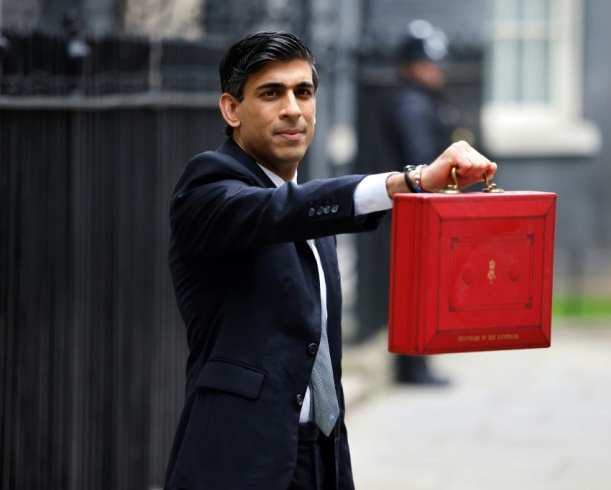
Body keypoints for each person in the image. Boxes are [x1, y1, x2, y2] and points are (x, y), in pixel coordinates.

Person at [164, 31, 496, 490]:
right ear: (231, 109)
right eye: (270, 93)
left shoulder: (310, 208)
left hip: (321, 456)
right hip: (238, 461)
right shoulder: (207, 188)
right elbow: (278, 212)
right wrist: (408, 182)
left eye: (303, 92)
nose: (292, 109)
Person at [385, 21, 459, 386]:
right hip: (414, 210)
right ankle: (413, 367)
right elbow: (419, 158)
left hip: (426, 208)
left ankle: (420, 362)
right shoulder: (410, 104)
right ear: (411, 65)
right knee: (415, 288)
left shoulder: (425, 100)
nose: (437, 70)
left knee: (425, 286)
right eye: (429, 63)